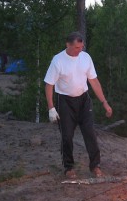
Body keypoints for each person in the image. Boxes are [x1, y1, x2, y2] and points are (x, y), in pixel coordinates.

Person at [44, 31, 112, 178]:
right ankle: (69, 167)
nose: (79, 50)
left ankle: (95, 166)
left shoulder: (86, 58)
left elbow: (94, 81)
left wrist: (104, 102)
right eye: (76, 47)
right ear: (68, 45)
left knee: (90, 134)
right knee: (67, 136)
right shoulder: (58, 60)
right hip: (65, 102)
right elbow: (49, 84)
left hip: (83, 100)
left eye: (81, 47)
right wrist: (51, 107)